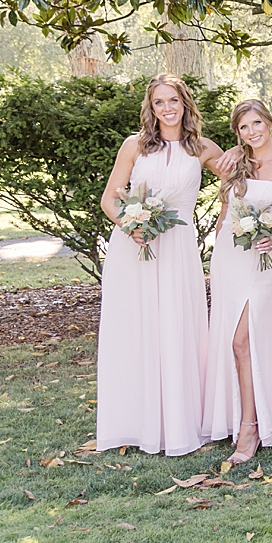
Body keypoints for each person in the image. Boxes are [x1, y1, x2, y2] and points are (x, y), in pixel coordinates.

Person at [96, 73, 227, 456]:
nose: (167, 108)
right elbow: (109, 200)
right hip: (133, 248)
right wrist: (130, 225)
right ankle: (134, 423)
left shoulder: (202, 148)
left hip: (178, 251)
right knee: (136, 329)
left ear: (185, 104)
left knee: (175, 326)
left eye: (173, 100)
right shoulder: (134, 146)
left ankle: (179, 422)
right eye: (159, 103)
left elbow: (243, 177)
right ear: (150, 109)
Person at [203, 99, 272, 465]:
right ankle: (240, 418)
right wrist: (214, 257)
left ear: (270, 123)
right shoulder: (236, 165)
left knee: (242, 340)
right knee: (230, 343)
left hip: (261, 262)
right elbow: (225, 214)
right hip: (228, 259)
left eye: (257, 123)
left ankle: (252, 427)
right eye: (244, 127)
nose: (251, 132)